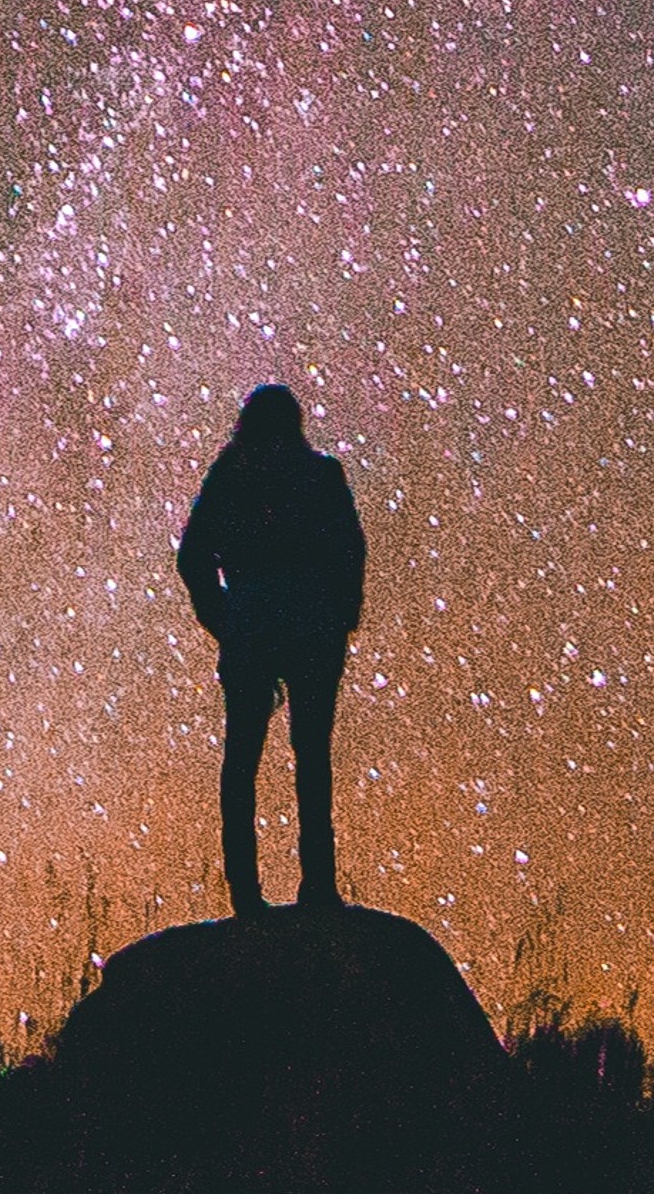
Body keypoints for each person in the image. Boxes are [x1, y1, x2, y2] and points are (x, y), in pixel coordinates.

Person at [177, 384, 366, 918]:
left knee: (242, 760)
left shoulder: (232, 476)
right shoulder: (320, 475)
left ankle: (246, 897)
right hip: (309, 630)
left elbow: (192, 557)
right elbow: (350, 553)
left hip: (255, 626)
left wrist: (226, 621)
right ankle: (319, 888)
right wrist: (338, 619)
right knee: (311, 758)